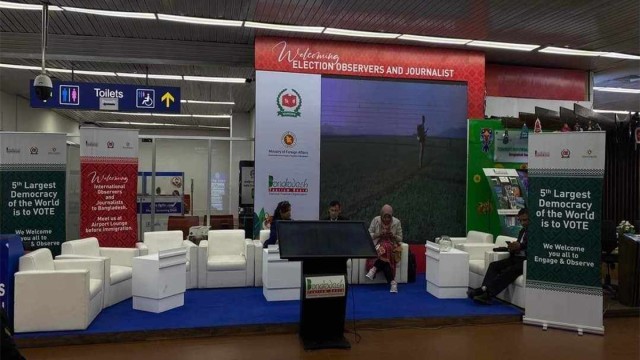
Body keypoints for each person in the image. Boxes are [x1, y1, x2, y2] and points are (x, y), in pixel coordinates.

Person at [468, 208, 529, 305]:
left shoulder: (535, 233)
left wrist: (520, 246)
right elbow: (519, 245)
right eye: (520, 220)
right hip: (516, 257)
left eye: (525, 220)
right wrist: (513, 247)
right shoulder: (522, 231)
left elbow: (533, 248)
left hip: (526, 261)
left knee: (509, 271)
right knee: (494, 265)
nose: (522, 223)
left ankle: (488, 294)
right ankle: (484, 290)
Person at [365, 204, 403, 293]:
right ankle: (393, 283)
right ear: (381, 216)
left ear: (391, 216)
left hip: (391, 245)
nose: (387, 219)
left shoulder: (396, 222)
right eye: (384, 217)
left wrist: (393, 236)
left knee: (386, 246)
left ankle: (374, 268)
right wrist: (378, 234)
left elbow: (400, 238)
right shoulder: (376, 220)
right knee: (386, 260)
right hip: (378, 245)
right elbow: (368, 234)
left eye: (389, 217)